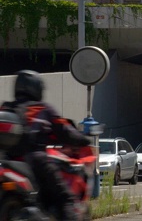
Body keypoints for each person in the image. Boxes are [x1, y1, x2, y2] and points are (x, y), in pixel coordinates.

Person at [1, 70, 91, 221]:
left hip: (8, 161)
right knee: (65, 197)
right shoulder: (42, 109)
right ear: (36, 88)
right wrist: (83, 140)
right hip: (36, 160)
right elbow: (65, 130)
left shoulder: (6, 108)